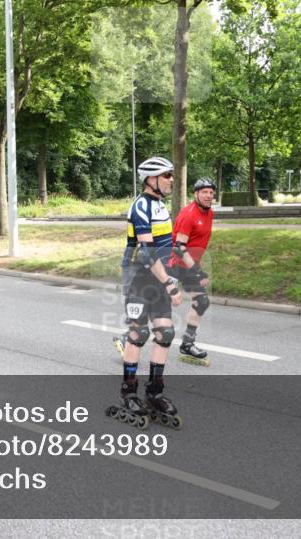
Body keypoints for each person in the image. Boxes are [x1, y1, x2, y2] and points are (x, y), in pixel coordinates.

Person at [108, 157, 184, 429]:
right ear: (151, 179)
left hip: (158, 275)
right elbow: (146, 252)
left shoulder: (161, 205)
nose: (171, 180)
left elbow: (166, 247)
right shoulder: (140, 206)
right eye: (166, 175)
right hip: (139, 278)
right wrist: (169, 284)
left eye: (172, 175)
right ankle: (129, 392)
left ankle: (154, 393)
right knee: (138, 334)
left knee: (165, 333)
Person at [166, 177, 216, 366]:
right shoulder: (188, 214)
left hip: (189, 266)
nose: (208, 195)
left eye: (211, 192)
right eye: (204, 192)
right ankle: (129, 337)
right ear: (195, 194)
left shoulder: (209, 213)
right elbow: (179, 247)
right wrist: (198, 271)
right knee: (158, 304)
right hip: (174, 265)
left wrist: (195, 268)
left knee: (201, 301)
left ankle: (187, 343)